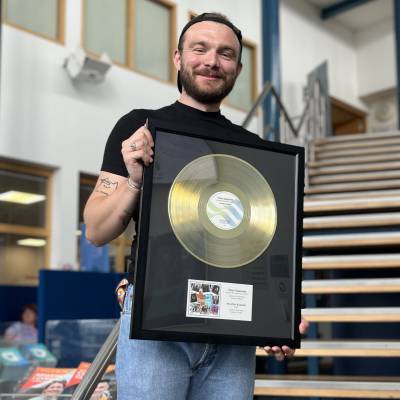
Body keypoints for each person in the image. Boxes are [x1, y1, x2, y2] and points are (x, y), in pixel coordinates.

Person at [84, 12, 307, 400]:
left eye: (225, 54)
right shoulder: (139, 128)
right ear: (178, 57)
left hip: (231, 322)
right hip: (156, 316)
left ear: (237, 67)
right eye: (199, 48)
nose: (211, 61)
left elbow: (265, 240)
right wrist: (135, 180)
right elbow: (97, 231)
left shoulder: (253, 148)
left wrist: (280, 317)